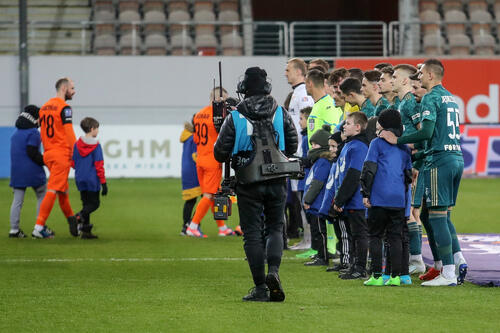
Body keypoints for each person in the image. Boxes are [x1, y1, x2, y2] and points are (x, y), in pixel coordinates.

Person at [380, 58, 467, 286]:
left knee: (437, 217)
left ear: (430, 75)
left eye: (420, 75)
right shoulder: (451, 98)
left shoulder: (431, 97)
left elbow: (426, 132)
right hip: (455, 157)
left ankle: (448, 273)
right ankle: (451, 264)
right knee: (439, 216)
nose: (417, 79)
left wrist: (398, 140)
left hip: (439, 160)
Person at [214, 66, 298, 302]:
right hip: (277, 177)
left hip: (248, 181)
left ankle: (260, 287)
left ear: (243, 89)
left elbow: (220, 154)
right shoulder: (280, 112)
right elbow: (292, 146)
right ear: (267, 87)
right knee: (274, 228)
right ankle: (274, 272)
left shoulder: (235, 117)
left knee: (252, 234)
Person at [361, 109, 413, 286]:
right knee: (395, 237)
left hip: (379, 197)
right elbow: (407, 176)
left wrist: (365, 193)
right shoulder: (404, 147)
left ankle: (376, 276)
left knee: (375, 236)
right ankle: (396, 277)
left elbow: (369, 169)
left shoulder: (376, 144)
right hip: (398, 199)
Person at [32, 77, 79, 239]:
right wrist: (76, 153)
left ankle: (73, 221)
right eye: (72, 88)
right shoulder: (65, 108)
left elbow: (40, 129)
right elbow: (68, 132)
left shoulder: (44, 107)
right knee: (53, 189)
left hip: (49, 154)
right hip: (61, 154)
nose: (74, 91)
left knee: (62, 190)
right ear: (64, 88)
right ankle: (39, 227)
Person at [185, 87, 234, 238]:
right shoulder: (218, 116)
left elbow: (195, 138)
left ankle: (222, 228)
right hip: (213, 160)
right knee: (209, 194)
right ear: (218, 99)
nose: (225, 104)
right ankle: (192, 226)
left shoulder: (199, 114)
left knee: (211, 195)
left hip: (200, 158)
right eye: (224, 100)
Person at [334, 112, 370, 280]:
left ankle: (361, 267)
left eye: (348, 123)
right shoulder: (350, 145)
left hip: (356, 199)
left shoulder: (359, 147)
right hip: (349, 199)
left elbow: (354, 175)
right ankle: (355, 265)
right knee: (352, 233)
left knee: (359, 234)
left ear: (358, 127)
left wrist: (341, 198)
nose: (344, 126)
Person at [285, 58, 314, 240]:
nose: (285, 73)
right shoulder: (297, 93)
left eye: (288, 69)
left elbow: (306, 123)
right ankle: (307, 239)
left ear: (298, 72)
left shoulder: (303, 94)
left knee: (302, 196)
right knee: (297, 195)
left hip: (301, 152)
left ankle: (309, 240)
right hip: (295, 151)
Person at [9, 105, 46, 238]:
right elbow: (32, 153)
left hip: (16, 172)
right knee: (42, 195)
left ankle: (14, 230)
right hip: (33, 171)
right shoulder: (33, 133)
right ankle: (39, 227)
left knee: (17, 200)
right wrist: (46, 161)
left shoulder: (15, 133)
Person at [302, 125, 333, 266]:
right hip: (314, 204)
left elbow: (317, 183)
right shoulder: (318, 161)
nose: (312, 146)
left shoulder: (323, 162)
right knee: (316, 231)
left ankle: (323, 257)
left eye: (315, 144)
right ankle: (319, 254)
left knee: (320, 231)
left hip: (318, 204)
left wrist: (308, 199)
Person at [72, 117, 107, 239]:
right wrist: (103, 183)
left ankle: (86, 232)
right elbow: (99, 165)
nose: (97, 131)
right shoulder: (96, 146)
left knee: (86, 203)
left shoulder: (77, 144)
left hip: (80, 178)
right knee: (94, 204)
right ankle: (78, 217)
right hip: (92, 179)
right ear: (92, 129)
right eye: (97, 128)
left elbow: (73, 163)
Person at [305, 69, 342, 147]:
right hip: (315, 155)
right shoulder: (317, 104)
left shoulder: (330, 105)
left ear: (310, 84)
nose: (304, 86)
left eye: (305, 83)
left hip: (324, 156)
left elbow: (333, 131)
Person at [179, 118, 202, 235]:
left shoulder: (187, 136)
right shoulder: (195, 137)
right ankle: (193, 225)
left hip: (186, 170)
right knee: (205, 198)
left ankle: (186, 226)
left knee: (191, 200)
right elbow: (196, 156)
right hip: (195, 171)